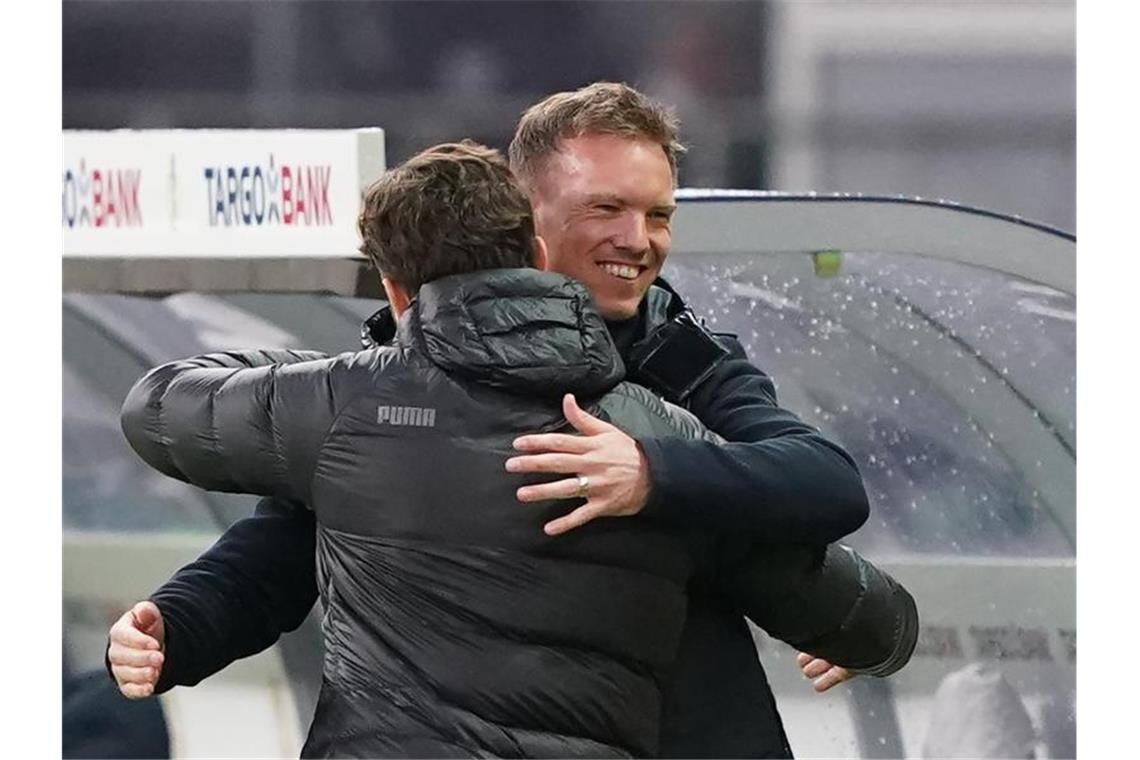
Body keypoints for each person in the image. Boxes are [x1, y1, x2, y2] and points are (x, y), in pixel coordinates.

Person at [108, 83, 909, 757]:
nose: (639, 240)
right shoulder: (404, 362)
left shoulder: (682, 355)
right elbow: (287, 540)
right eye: (607, 208)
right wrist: (178, 626)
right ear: (527, 221)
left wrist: (654, 478)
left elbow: (823, 483)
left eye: (659, 215)